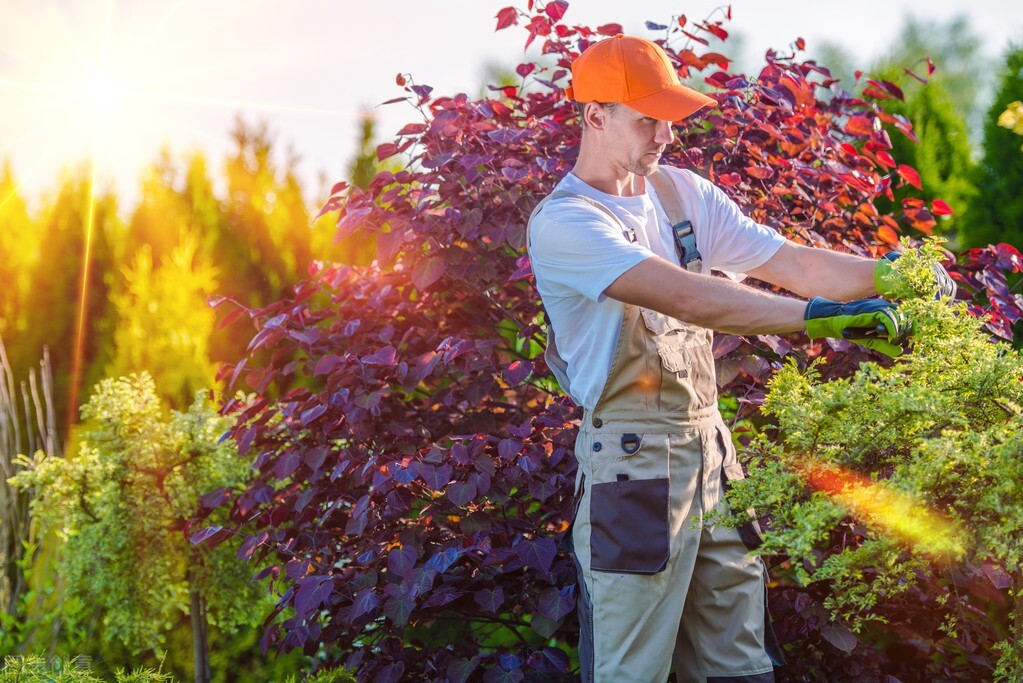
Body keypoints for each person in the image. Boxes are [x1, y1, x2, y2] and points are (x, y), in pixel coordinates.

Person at [526, 35, 948, 683]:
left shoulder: (680, 196)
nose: (664, 132)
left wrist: (886, 276)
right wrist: (816, 320)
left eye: (669, 115)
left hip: (714, 461)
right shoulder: (566, 223)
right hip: (633, 473)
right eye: (647, 118)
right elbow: (686, 294)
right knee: (630, 670)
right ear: (594, 115)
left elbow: (793, 263)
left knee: (740, 664)